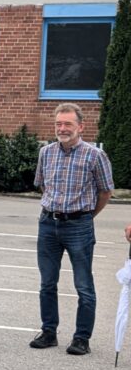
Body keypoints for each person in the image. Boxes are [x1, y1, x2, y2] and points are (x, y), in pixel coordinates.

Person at [29, 103, 113, 356]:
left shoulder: (95, 156)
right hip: (48, 224)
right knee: (47, 283)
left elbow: (105, 191)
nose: (62, 128)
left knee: (84, 285)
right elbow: (43, 185)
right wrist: (57, 210)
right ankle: (48, 332)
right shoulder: (46, 153)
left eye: (68, 124)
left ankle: (81, 338)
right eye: (58, 124)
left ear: (81, 126)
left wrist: (85, 216)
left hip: (79, 226)